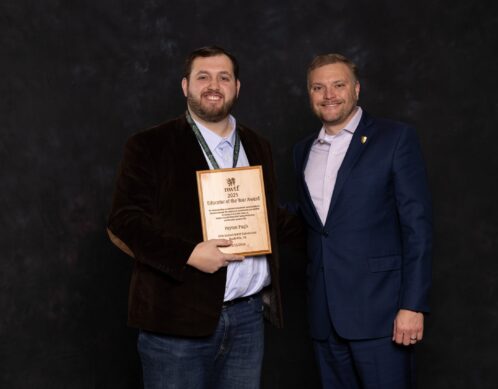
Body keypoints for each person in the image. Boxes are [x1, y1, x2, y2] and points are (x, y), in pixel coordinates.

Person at [107, 46, 298, 389]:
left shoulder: (257, 145)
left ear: (237, 87)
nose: (214, 85)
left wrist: (335, 226)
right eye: (203, 77)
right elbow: (124, 222)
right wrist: (188, 254)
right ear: (185, 86)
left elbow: (268, 217)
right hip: (175, 322)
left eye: (224, 77)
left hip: (248, 319)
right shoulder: (150, 144)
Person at [292, 53, 433, 388]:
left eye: (338, 85)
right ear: (309, 94)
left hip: (381, 314)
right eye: (318, 87)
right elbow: (315, 222)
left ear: (356, 88)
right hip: (324, 316)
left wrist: (412, 306)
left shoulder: (394, 138)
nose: (329, 94)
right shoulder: (303, 150)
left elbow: (418, 228)